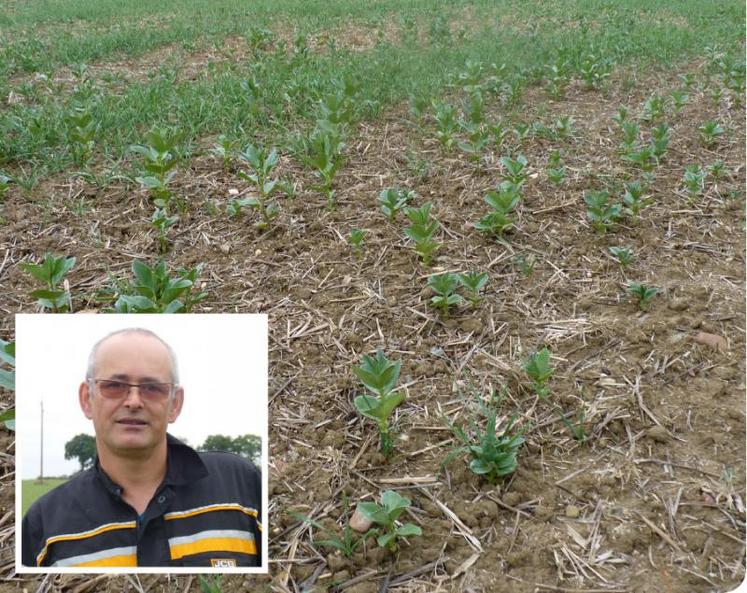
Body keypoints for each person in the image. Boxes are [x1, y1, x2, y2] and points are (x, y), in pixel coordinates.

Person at [21, 328, 263, 568]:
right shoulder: (44, 525)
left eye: (152, 388)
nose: (134, 401)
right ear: (87, 399)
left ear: (175, 404)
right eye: (114, 385)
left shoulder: (241, 485)